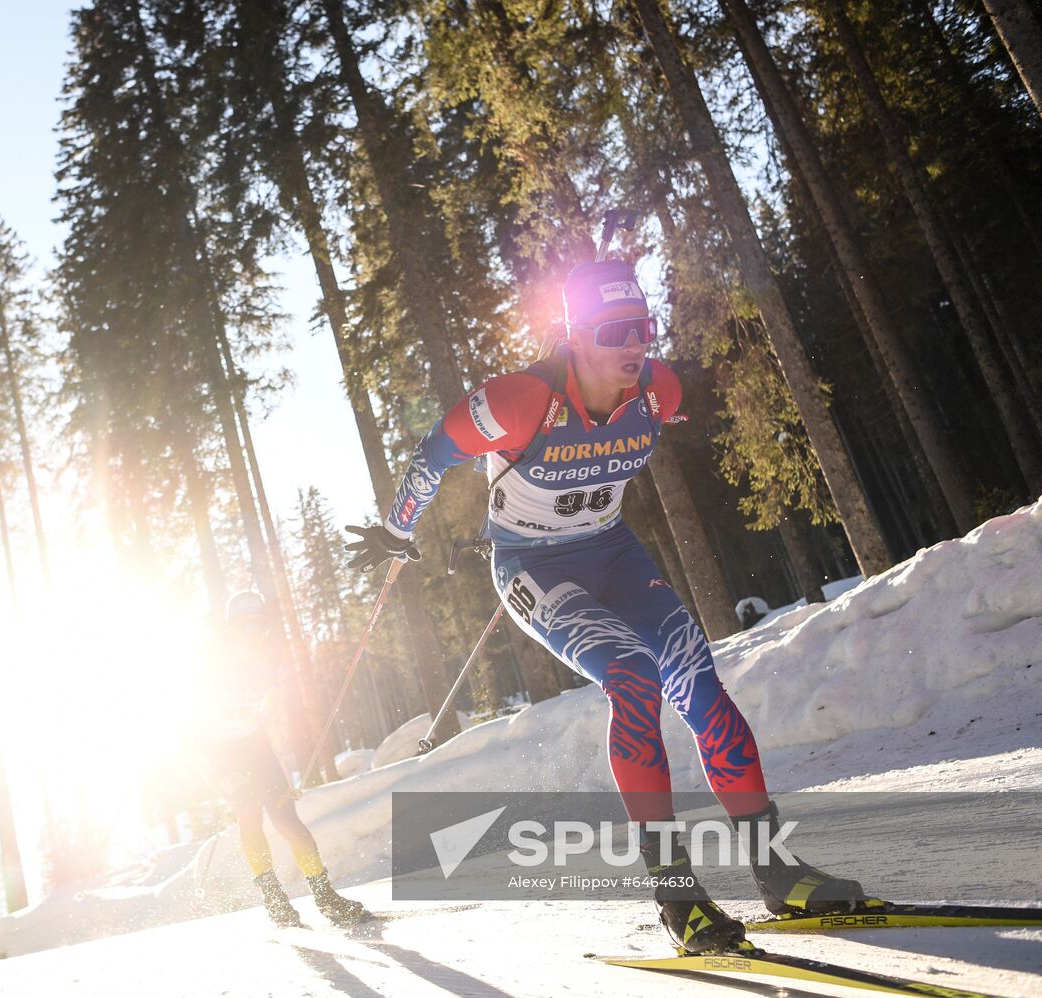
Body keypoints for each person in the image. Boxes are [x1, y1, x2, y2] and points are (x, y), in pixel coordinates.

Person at [344, 258, 864, 953]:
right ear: (575, 336)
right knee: (632, 674)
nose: (634, 345)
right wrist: (396, 531)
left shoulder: (659, 390)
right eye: (615, 330)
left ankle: (776, 871)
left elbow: (679, 398)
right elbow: (433, 454)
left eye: (643, 329)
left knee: (697, 679)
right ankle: (679, 899)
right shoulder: (519, 400)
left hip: (613, 553)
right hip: (532, 567)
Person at [196, 590, 369, 928]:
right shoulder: (212, 664)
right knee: (248, 809)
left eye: (258, 625)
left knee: (287, 819)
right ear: (231, 629)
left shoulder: (271, 663)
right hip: (216, 752)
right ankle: (274, 899)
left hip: (253, 744)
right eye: (244, 626)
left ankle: (325, 895)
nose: (252, 633)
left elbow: (277, 704)